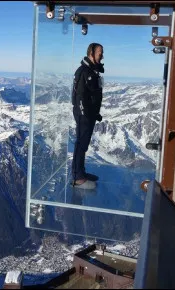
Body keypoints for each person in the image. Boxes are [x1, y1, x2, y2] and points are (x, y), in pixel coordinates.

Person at [71, 43, 105, 189]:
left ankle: (81, 172)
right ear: (91, 53)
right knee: (80, 144)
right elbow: (79, 96)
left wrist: (94, 113)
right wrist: (85, 114)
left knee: (83, 145)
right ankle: (77, 176)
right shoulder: (83, 71)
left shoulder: (92, 71)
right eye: (99, 53)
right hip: (83, 115)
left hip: (89, 114)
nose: (102, 55)